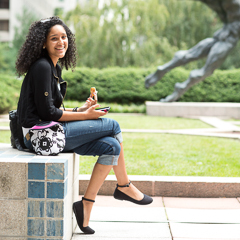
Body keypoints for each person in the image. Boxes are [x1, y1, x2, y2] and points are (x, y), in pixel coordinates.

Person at [16, 16, 153, 235]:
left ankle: (86, 205)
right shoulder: (41, 66)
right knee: (113, 125)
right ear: (43, 43)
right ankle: (124, 186)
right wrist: (86, 116)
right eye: (54, 39)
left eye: (64, 37)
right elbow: (47, 113)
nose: (61, 42)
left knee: (112, 147)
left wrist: (81, 110)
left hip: (51, 132)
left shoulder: (53, 67)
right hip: (40, 137)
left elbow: (52, 108)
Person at [145, 0, 240, 102]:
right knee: (204, 70)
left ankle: (164, 73)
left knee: (190, 56)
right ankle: (177, 88)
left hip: (221, 36)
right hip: (226, 40)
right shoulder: (232, 6)